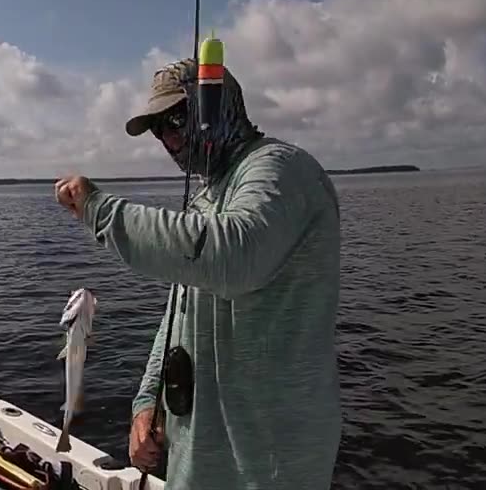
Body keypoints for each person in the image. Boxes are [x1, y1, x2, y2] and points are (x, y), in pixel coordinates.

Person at [53, 58, 342, 490]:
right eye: (157, 129)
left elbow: (235, 254)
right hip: (199, 455)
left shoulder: (281, 170)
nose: (168, 138)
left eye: (177, 118)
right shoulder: (207, 199)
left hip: (268, 465)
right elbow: (178, 318)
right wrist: (148, 399)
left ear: (220, 106)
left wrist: (102, 210)